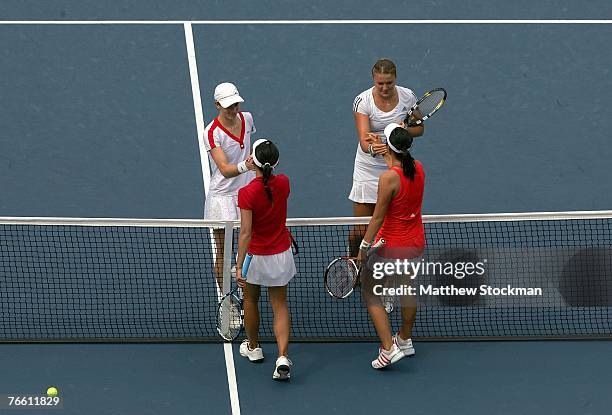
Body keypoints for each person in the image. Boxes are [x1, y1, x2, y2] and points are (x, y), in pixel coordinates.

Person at [358, 123, 425, 369]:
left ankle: (388, 348)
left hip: (390, 247)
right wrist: (387, 151)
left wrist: (364, 245)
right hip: (415, 244)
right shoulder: (418, 168)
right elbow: (399, 172)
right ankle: (405, 339)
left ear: (389, 146)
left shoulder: (387, 179)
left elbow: (377, 217)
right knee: (407, 290)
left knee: (371, 294)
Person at [349, 58, 424, 255]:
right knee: (360, 230)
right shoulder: (363, 101)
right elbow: (365, 143)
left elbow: (420, 129)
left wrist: (405, 129)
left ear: (395, 78)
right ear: (373, 80)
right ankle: (354, 264)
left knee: (388, 226)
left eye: (389, 83)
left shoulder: (408, 97)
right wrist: (378, 148)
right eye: (380, 83)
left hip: (398, 165)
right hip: (368, 169)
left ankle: (384, 267)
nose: (384, 87)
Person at [235, 139, 295, 381]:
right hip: (281, 255)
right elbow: (272, 185)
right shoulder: (284, 183)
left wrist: (238, 265)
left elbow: (246, 232)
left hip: (255, 258)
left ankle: (253, 346)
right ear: (276, 161)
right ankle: (282, 356)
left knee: (250, 300)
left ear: (253, 161)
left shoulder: (246, 192)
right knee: (279, 305)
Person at [203, 82, 256, 292]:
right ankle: (227, 302)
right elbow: (224, 169)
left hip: (247, 191)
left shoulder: (248, 118)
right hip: (222, 197)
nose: (234, 110)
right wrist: (248, 165)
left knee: (250, 246)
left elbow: (249, 148)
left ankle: (246, 290)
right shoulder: (212, 132)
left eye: (236, 105)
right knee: (224, 254)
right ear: (217, 105)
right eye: (229, 106)